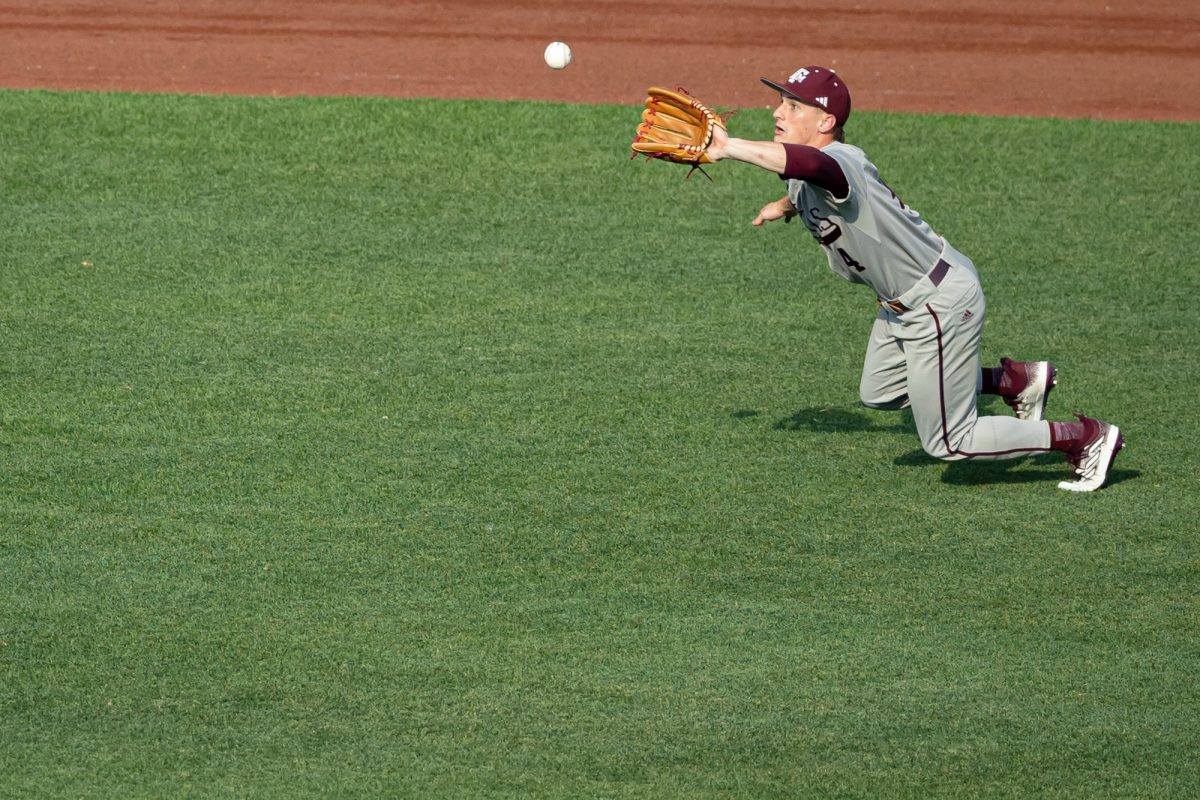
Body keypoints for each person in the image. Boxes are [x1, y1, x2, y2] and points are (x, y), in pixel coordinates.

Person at [705, 66, 1123, 491]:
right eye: (781, 102)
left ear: (826, 122)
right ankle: (1014, 381)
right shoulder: (807, 176)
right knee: (880, 391)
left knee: (950, 441)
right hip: (901, 305)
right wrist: (785, 206)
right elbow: (806, 178)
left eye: (792, 106)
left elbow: (814, 165)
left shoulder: (840, 162)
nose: (778, 112)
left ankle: (1084, 439)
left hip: (938, 302)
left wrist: (727, 147)